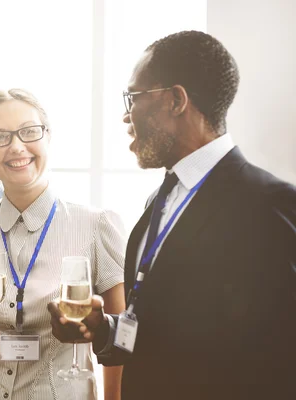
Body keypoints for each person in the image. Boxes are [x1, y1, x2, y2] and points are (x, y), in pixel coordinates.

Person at [48, 31, 296, 400]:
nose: (125, 115)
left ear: (176, 100)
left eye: (133, 97)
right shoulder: (158, 201)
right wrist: (102, 329)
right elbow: (159, 330)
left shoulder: (269, 204)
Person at [0, 89, 126, 400]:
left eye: (29, 132)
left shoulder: (98, 226)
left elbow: (120, 342)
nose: (17, 147)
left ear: (48, 136)